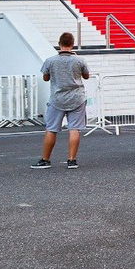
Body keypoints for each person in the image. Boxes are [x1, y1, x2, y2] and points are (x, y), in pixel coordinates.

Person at [32, 32, 91, 169]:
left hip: (57, 98)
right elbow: (86, 76)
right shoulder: (80, 60)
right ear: (72, 44)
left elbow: (46, 78)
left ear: (59, 44)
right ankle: (72, 160)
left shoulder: (50, 60)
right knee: (74, 129)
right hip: (77, 97)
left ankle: (45, 159)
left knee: (51, 129)